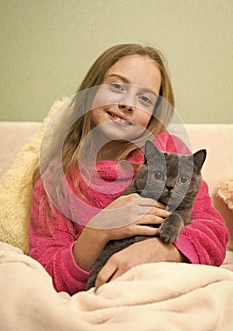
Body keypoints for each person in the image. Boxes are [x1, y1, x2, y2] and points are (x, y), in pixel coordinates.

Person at [29, 44, 229, 295]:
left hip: (168, 283)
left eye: (144, 98)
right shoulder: (57, 181)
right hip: (102, 292)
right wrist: (97, 231)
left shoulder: (171, 151)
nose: (127, 103)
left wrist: (157, 251)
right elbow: (48, 270)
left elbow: (213, 231)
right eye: (116, 86)